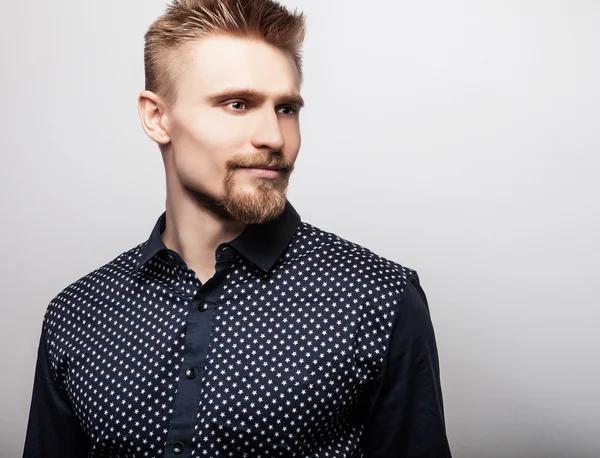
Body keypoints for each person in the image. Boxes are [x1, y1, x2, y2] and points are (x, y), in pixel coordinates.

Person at [23, 0, 452, 456]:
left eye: (286, 108)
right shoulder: (76, 314)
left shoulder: (378, 298)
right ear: (157, 117)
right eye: (237, 104)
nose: (273, 136)